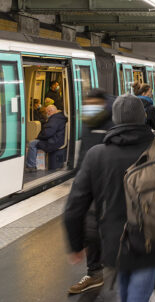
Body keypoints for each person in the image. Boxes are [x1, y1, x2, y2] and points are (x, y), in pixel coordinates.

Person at [64, 94, 155, 302]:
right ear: (143, 117)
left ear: (115, 119)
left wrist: (75, 244)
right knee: (139, 291)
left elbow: (74, 206)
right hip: (154, 236)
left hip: (114, 240)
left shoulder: (96, 155)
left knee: (124, 283)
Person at [67, 89, 115, 294]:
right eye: (87, 103)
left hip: (111, 185)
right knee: (91, 226)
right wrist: (78, 179)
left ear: (104, 104)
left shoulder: (113, 123)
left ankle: (115, 263)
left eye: (93, 103)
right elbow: (83, 153)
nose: (89, 106)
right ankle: (95, 271)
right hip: (90, 184)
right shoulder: (88, 122)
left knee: (109, 225)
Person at [25, 105, 67, 172]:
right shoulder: (60, 117)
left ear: (50, 111)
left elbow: (48, 132)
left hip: (53, 142)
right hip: (58, 140)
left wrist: (39, 137)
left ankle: (31, 166)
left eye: (46, 112)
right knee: (35, 142)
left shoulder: (54, 119)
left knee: (32, 143)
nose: (46, 114)